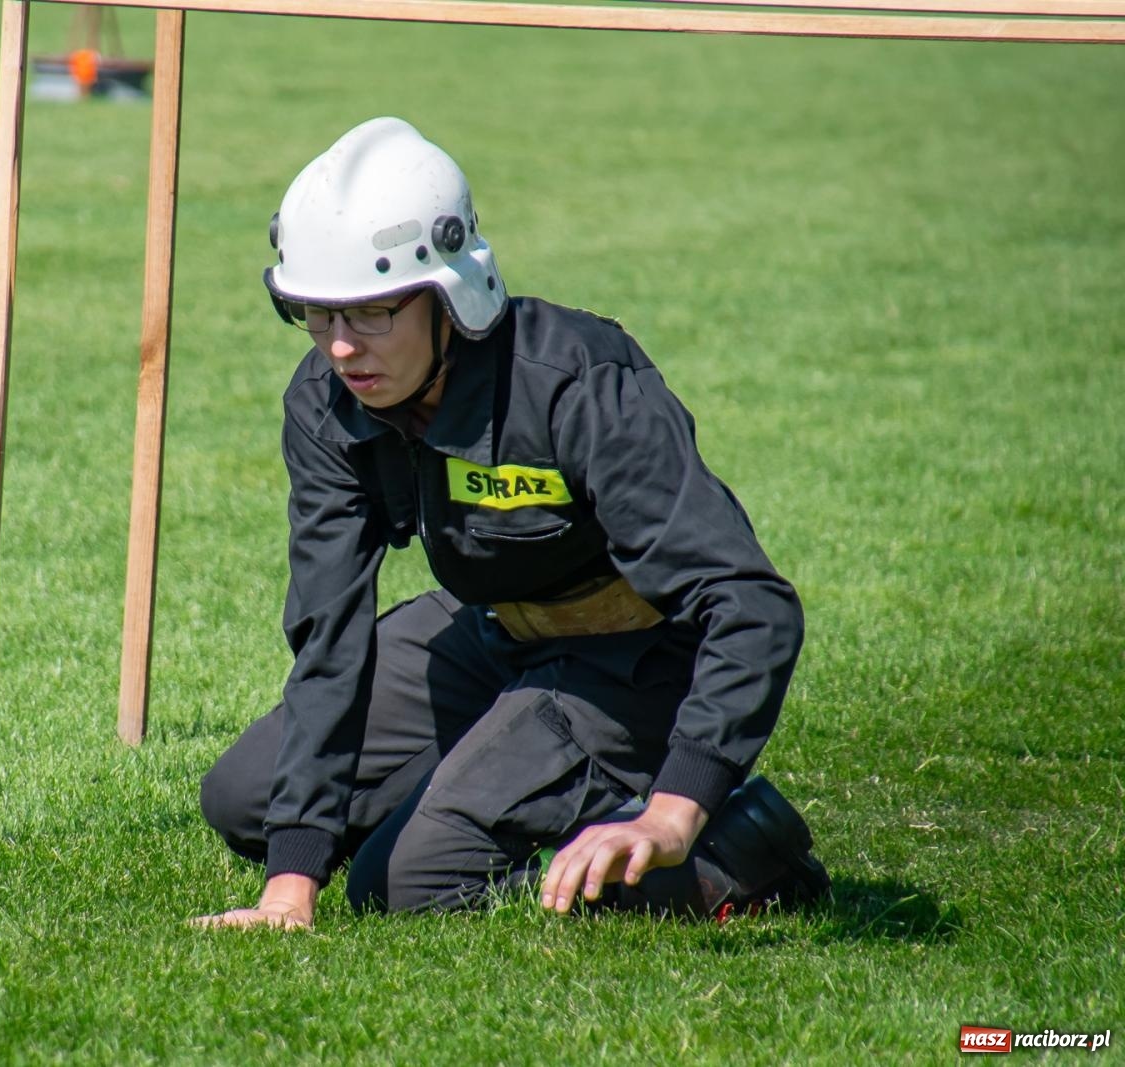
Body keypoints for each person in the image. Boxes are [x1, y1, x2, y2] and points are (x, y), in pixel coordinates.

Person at [194, 117, 829, 930]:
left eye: (372, 314)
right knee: (247, 800)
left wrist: (675, 807)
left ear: (450, 295)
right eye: (317, 316)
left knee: (402, 884)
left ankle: (732, 847)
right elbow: (331, 632)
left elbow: (751, 604)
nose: (343, 350)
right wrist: (289, 886)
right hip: (492, 632)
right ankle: (504, 781)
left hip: (634, 658)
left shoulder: (574, 383)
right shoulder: (325, 404)